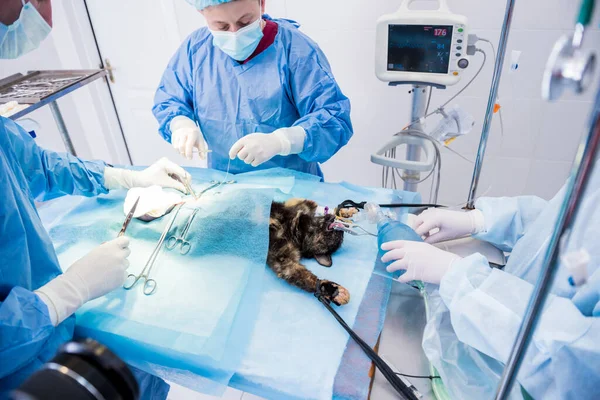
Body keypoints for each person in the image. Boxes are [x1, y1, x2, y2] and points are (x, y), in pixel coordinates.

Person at [0, 1, 188, 397]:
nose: (40, 12)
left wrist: (123, 176)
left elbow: (41, 167)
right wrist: (61, 295)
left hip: (52, 338)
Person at [380, 168, 600, 398]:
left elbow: (580, 356)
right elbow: (567, 225)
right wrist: (481, 220)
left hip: (520, 382)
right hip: (491, 336)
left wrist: (464, 280)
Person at [153, 0, 353, 178]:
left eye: (244, 22)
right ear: (203, 14)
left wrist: (281, 141)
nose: (234, 34)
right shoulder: (196, 49)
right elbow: (170, 98)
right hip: (225, 184)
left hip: (290, 188)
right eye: (221, 26)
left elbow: (334, 119)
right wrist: (180, 123)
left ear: (261, 4)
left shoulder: (295, 49)